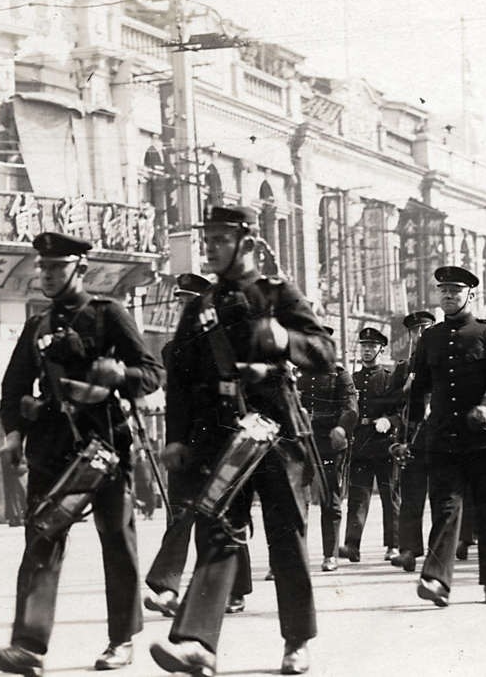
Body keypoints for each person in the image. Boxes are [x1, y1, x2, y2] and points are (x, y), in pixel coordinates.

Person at [149, 205, 335, 676]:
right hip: (219, 436)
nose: (210, 247)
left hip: (275, 433)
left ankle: (296, 640)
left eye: (221, 239)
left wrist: (284, 339)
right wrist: (177, 439)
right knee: (217, 532)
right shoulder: (201, 307)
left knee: (285, 536)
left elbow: (324, 353)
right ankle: (197, 644)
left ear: (247, 244)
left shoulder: (277, 294)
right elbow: (180, 379)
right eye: (207, 238)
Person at [0, 232, 165, 675]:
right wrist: (14, 434)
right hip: (51, 446)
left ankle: (121, 640)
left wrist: (119, 373)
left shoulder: (108, 314)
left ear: (80, 269)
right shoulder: (37, 326)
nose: (46, 275)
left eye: (56, 267)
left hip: (103, 445)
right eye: (42, 267)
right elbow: (12, 387)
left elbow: (152, 373)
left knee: (116, 540)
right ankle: (28, 647)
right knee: (41, 539)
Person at [145, 273, 253, 615]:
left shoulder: (225, 343)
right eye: (180, 303)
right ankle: (167, 588)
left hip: (224, 440)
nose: (183, 310)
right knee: (179, 513)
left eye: (189, 303)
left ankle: (235, 589)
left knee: (224, 514)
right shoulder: (172, 349)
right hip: (185, 442)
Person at [408, 265, 486, 607]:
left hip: (483, 437)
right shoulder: (430, 337)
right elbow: (419, 390)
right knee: (445, 507)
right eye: (444, 291)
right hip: (443, 437)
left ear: (471, 295)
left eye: (455, 291)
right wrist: (409, 435)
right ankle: (436, 580)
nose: (449, 296)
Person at [296, 327, 357, 572]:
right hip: (301, 443)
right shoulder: (298, 375)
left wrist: (341, 429)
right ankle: (295, 556)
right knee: (296, 501)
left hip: (328, 442)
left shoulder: (339, 375)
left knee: (330, 498)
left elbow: (350, 408)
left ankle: (330, 554)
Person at [342, 327, 403, 563]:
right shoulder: (353, 379)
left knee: (390, 495)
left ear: (381, 349)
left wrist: (390, 421)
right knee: (357, 495)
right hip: (360, 442)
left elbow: (401, 410)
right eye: (364, 346)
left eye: (372, 346)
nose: (367, 350)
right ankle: (352, 545)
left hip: (384, 443)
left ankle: (394, 544)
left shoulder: (389, 378)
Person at [390, 310, 437, 573]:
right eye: (415, 331)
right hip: (412, 437)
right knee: (411, 496)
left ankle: (440, 550)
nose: (420, 335)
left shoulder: (443, 361)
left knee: (441, 497)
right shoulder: (403, 368)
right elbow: (391, 402)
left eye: (425, 329)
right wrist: (405, 387)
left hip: (439, 435)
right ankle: (408, 550)